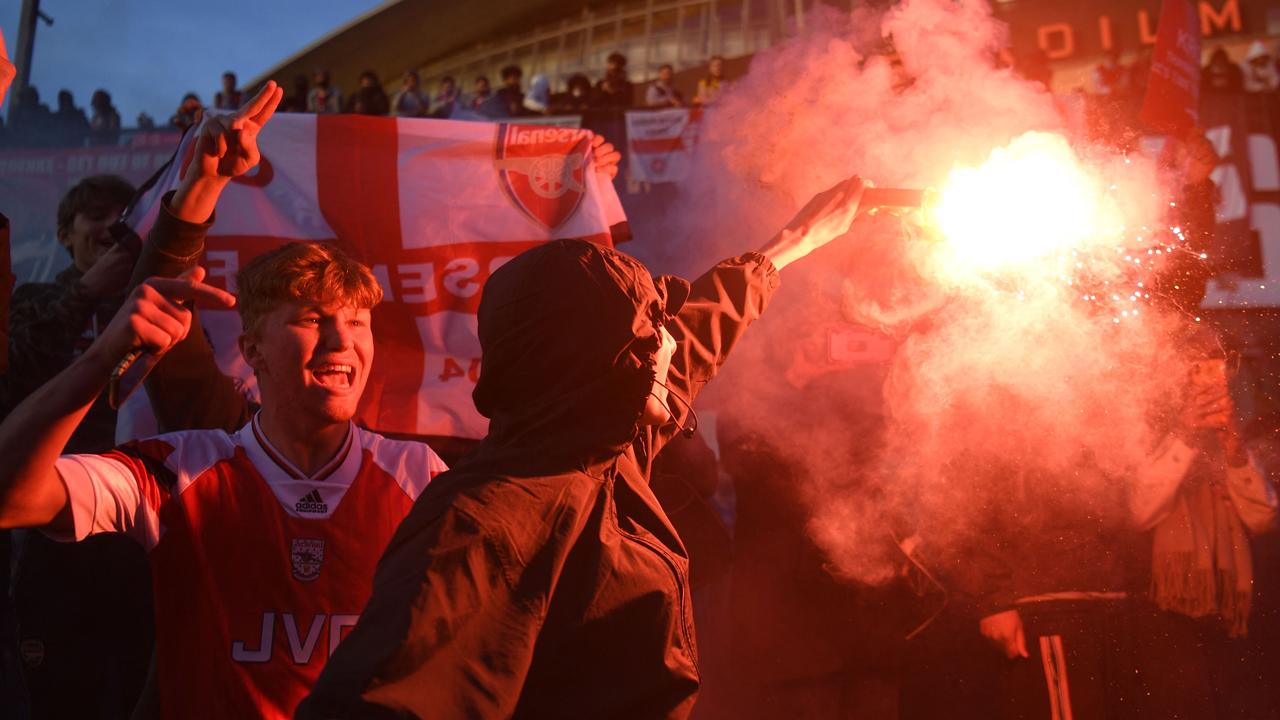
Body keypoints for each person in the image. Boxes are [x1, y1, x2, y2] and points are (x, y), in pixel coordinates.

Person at [295, 174, 868, 718]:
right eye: (652, 327)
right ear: (617, 364)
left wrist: (791, 244)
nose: (670, 339)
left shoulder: (606, 450)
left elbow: (697, 335)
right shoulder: (483, 522)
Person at [0, 82, 446, 720]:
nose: (340, 340)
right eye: (312, 318)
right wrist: (103, 358)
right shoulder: (180, 468)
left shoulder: (423, 478)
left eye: (357, 321)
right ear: (253, 349)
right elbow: (10, 494)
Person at [1, 174, 153, 719]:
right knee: (62, 686)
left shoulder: (151, 302)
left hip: (138, 519)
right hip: (49, 523)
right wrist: (84, 294)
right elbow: (16, 375)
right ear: (67, 233)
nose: (111, 225)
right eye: (95, 215)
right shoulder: (34, 299)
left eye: (121, 214)